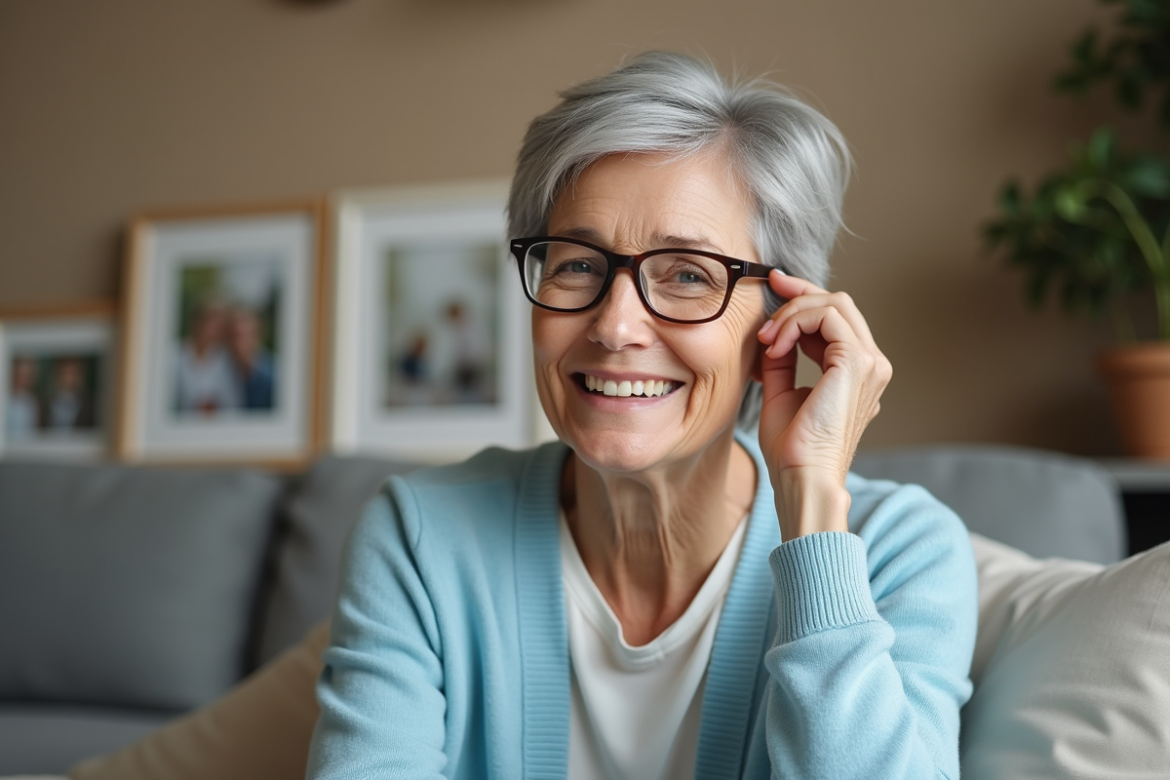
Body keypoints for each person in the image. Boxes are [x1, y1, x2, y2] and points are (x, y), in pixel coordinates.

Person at [66, 52, 976, 780]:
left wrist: (814, 505)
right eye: (576, 264)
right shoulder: (421, 537)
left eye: (688, 275)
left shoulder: (900, 554)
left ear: (782, 318)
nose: (616, 325)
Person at [174, 300, 241, 415]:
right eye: (209, 320)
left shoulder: (225, 358)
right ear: (196, 322)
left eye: (218, 323)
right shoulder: (174, 354)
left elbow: (234, 404)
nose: (213, 328)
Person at [226, 307, 277, 411]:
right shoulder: (226, 370)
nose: (236, 343)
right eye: (231, 336)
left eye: (240, 335)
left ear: (257, 335)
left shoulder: (274, 377)